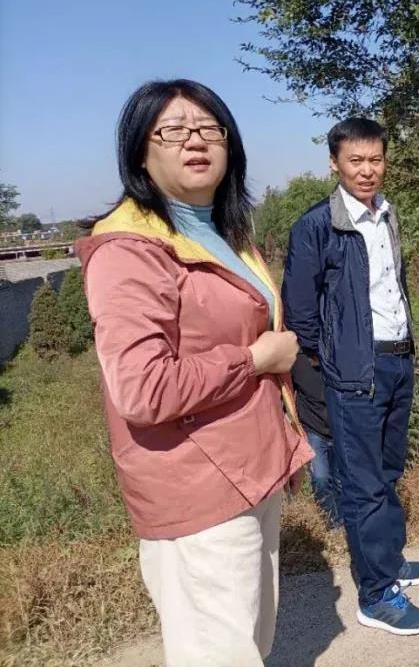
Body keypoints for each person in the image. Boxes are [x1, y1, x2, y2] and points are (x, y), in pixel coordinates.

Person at [76, 79, 312, 666]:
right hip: (197, 487)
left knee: (250, 642)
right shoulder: (128, 250)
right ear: (140, 151)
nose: (196, 141)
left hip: (250, 470)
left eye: (210, 128)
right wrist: (255, 359)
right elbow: (142, 388)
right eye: (173, 130)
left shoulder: (221, 232)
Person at [283, 117, 419, 636]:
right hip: (355, 372)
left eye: (375, 160)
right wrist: (335, 362)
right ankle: (376, 596)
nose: (367, 170)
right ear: (335, 163)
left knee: (388, 471)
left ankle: (389, 562)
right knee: (364, 484)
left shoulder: (387, 213)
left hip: (397, 360)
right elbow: (300, 312)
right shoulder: (316, 226)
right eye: (355, 160)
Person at [292, 354, 343, 528]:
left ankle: (344, 524)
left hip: (339, 429)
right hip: (313, 430)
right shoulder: (297, 362)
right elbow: (286, 394)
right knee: (320, 479)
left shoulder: (338, 357)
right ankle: (334, 525)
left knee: (340, 482)